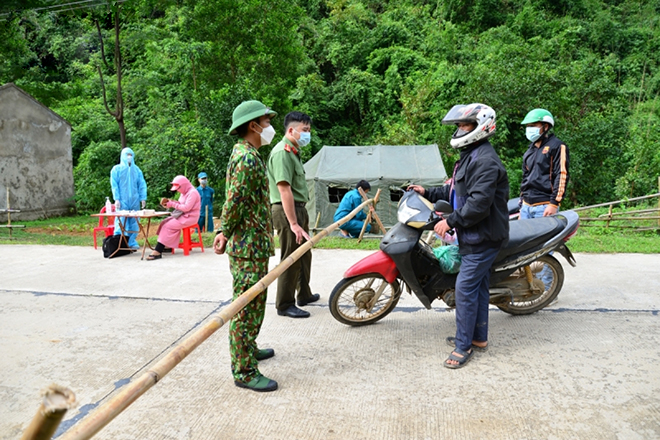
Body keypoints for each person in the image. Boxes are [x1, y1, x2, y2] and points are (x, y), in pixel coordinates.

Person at [408, 103, 509, 369]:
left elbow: (477, 204)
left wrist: (450, 222)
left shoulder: (485, 161)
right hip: (475, 235)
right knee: (478, 288)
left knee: (464, 290)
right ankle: (479, 338)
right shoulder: (471, 155)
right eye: (459, 126)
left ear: (481, 127)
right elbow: (454, 191)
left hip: (483, 237)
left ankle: (463, 347)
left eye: (465, 125)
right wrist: (426, 192)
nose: (460, 130)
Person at [213, 100, 278, 392]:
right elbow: (236, 200)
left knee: (253, 304)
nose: (269, 127)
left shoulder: (246, 153)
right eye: (266, 121)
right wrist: (224, 231)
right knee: (246, 307)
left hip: (252, 243)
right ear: (253, 126)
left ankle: (248, 348)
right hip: (248, 246)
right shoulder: (247, 158)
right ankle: (244, 370)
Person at [267, 111, 319, 319]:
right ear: (291, 130)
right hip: (287, 210)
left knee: (304, 252)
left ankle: (303, 293)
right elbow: (284, 189)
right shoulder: (282, 153)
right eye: (304, 130)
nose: (308, 134)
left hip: (298, 208)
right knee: (290, 257)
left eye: (309, 130)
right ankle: (285, 304)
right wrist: (294, 223)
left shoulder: (293, 152)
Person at [519, 108, 570, 218]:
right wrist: (522, 204)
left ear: (545, 127)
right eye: (528, 126)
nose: (529, 129)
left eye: (533, 125)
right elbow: (525, 178)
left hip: (544, 206)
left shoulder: (557, 146)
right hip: (526, 206)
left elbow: (562, 175)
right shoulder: (529, 151)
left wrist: (554, 203)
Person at [146, 175, 200, 260]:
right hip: (183, 216)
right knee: (164, 222)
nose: (178, 190)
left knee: (168, 226)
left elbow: (186, 208)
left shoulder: (192, 193)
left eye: (178, 188)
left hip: (190, 217)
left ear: (184, 185)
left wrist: (172, 204)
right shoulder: (184, 193)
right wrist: (169, 203)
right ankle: (167, 245)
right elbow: (179, 204)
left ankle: (158, 250)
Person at [110, 147, 147, 249]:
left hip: (134, 200)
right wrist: (116, 198)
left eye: (131, 155)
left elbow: (142, 184)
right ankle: (120, 242)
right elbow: (114, 185)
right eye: (127, 155)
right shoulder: (116, 169)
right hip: (122, 200)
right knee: (121, 220)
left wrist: (143, 197)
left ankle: (131, 241)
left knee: (135, 221)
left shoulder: (137, 170)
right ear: (123, 156)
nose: (129, 157)